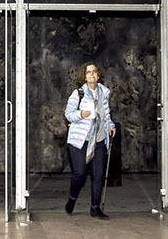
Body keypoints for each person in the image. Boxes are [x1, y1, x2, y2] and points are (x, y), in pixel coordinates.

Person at [64, 61, 117, 220]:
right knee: (80, 174)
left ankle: (95, 208)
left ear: (98, 75)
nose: (92, 74)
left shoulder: (104, 93)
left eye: (94, 72)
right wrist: (80, 114)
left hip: (99, 139)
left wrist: (111, 126)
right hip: (80, 139)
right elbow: (68, 114)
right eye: (88, 72)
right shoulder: (78, 93)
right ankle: (72, 198)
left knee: (98, 174)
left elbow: (106, 115)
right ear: (84, 76)